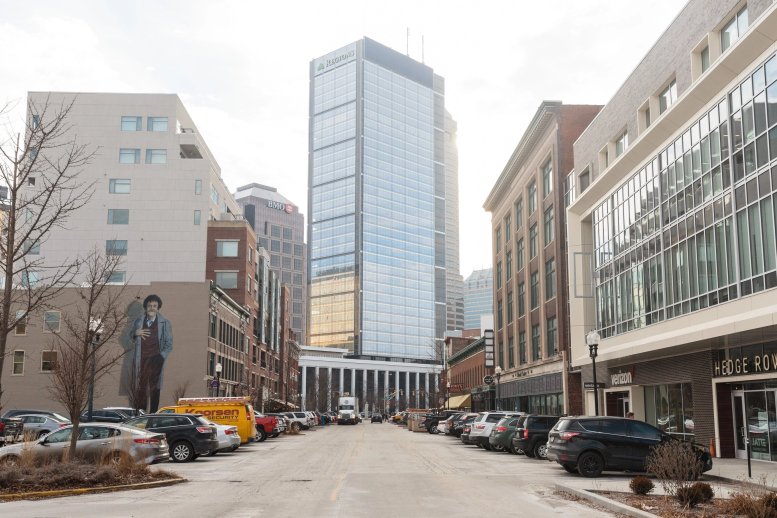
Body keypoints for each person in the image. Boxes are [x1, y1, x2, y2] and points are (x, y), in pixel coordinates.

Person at [130, 294, 173, 413]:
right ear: (145, 307)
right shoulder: (138, 321)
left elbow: (169, 344)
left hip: (156, 358)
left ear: (158, 307)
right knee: (141, 387)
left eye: (155, 305)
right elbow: (130, 336)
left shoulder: (165, 323)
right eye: (149, 305)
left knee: (155, 387)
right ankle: (141, 413)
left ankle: (153, 413)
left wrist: (161, 357)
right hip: (141, 358)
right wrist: (135, 333)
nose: (152, 308)